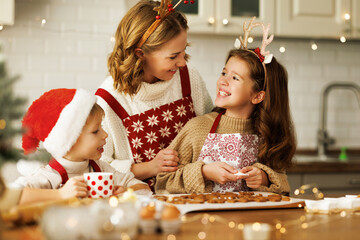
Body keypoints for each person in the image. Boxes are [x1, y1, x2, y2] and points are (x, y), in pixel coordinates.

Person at [155, 20, 296, 195]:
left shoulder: (266, 135)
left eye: (235, 78)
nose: (223, 81)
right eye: (224, 73)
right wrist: (204, 172)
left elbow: (283, 185)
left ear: (258, 96)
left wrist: (264, 178)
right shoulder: (198, 129)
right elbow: (162, 182)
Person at [96, 0, 213, 190]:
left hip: (195, 192)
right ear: (141, 54)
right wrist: (150, 167)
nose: (182, 63)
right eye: (173, 56)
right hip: (141, 201)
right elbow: (100, 167)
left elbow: (211, 130)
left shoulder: (188, 77)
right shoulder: (108, 100)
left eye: (184, 52)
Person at [12, 88, 150, 205]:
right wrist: (60, 195)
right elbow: (11, 196)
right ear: (69, 140)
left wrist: (126, 191)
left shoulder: (100, 168)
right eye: (96, 131)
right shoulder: (49, 175)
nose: (105, 134)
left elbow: (144, 188)